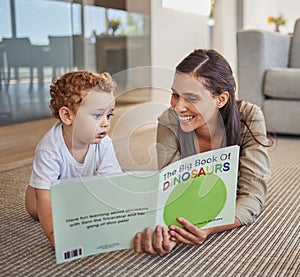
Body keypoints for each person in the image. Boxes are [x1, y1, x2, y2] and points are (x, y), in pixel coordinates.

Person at [134, 49, 271, 256]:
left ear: (221, 99)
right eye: (175, 95)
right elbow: (172, 192)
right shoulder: (169, 120)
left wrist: (209, 227)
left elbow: (252, 196)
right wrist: (170, 232)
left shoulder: (249, 116)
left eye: (191, 98)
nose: (178, 107)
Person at [25, 70, 122, 248]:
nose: (106, 123)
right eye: (97, 115)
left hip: (79, 191)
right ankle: (38, 187)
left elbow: (112, 182)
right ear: (68, 116)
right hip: (47, 196)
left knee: (84, 205)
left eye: (109, 115)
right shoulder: (49, 149)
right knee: (40, 208)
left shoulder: (104, 143)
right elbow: (45, 198)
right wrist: (55, 235)